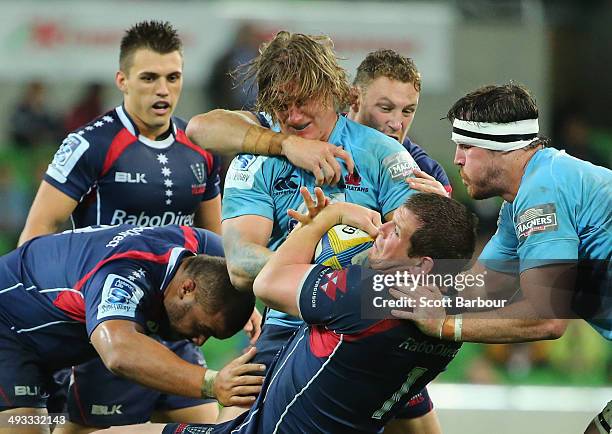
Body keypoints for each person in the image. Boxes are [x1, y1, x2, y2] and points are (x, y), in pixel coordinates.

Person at [17, 21, 256, 433]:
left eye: (172, 77)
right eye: (149, 78)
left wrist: (236, 295)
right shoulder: (89, 145)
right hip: (113, 322)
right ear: (122, 81)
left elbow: (217, 241)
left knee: (208, 426)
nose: (162, 90)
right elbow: (36, 235)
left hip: (180, 317)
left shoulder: (200, 147)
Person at [95, 193, 478, 434]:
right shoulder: (458, 310)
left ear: (423, 265)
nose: (382, 229)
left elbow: (266, 283)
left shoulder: (366, 293)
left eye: (397, 232)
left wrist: (327, 218)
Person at [391, 83, 611, 344]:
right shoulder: (523, 199)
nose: (456, 160)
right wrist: (401, 284)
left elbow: (547, 319)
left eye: (466, 146)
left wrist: (446, 325)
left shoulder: (542, 191)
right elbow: (481, 287)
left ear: (500, 145)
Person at [0, 224, 263, 434]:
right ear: (186, 288)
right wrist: (211, 383)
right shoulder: (123, 276)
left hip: (64, 336)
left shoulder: (202, 247)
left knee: (202, 426)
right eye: (202, 328)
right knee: (26, 427)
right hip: (10, 325)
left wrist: (238, 301)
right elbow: (118, 352)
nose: (199, 340)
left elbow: (236, 269)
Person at [347, 49, 452, 197]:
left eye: (407, 111)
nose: (397, 124)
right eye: (386, 108)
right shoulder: (316, 141)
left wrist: (444, 212)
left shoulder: (427, 173)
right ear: (354, 98)